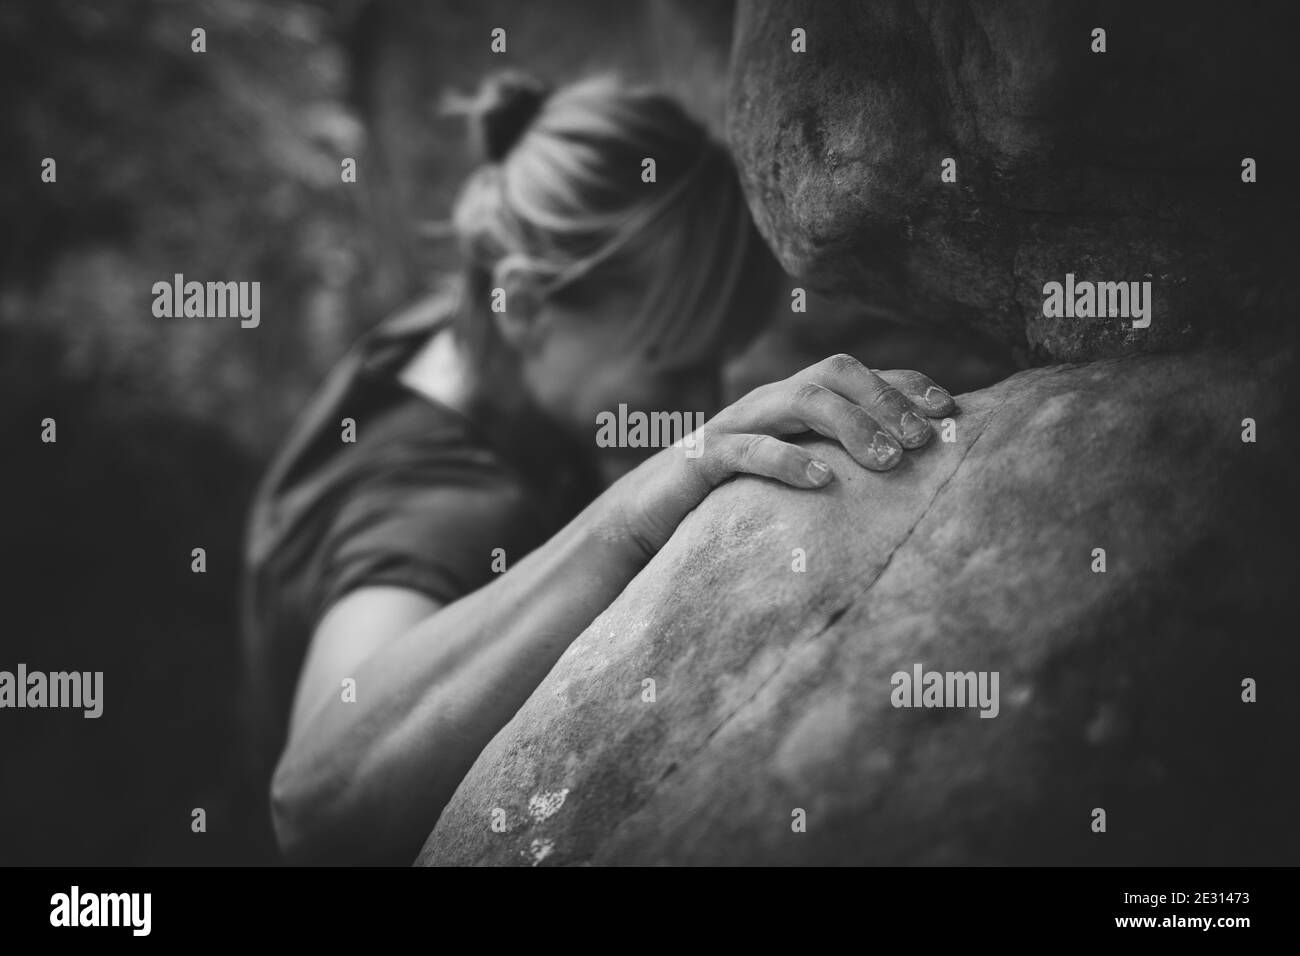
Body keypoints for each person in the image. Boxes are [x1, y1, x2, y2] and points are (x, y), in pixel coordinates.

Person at [241, 70, 957, 865]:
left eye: (715, 363)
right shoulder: (451, 509)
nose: (697, 404)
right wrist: (625, 518)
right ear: (531, 305)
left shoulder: (439, 343)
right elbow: (311, 804)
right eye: (670, 366)